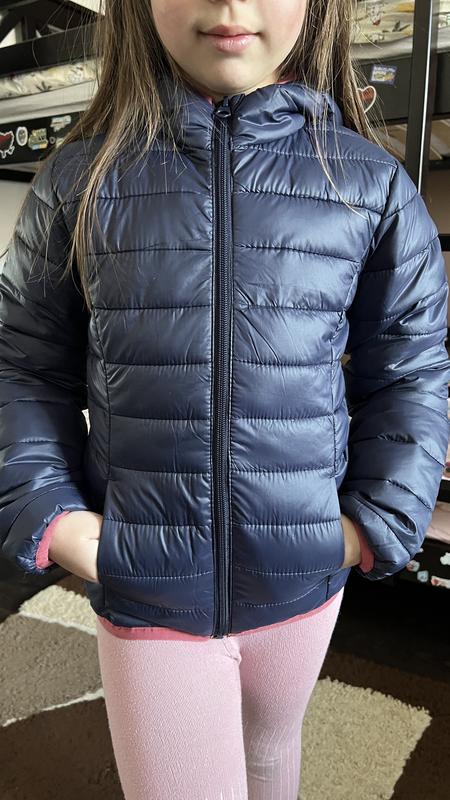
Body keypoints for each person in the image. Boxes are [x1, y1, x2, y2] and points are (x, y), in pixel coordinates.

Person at [0, 1, 449, 797]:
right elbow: (21, 366)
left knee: (271, 753)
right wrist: (57, 520)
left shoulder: (370, 182)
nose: (230, 4)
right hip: (147, 582)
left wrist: (372, 521)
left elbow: (409, 370)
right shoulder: (79, 180)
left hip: (307, 573)